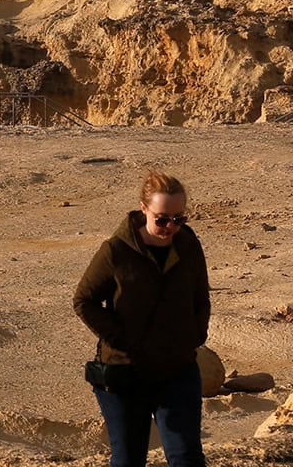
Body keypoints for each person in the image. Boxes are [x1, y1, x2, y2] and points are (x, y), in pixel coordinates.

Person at [72, 171, 210, 467]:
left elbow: (201, 297)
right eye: (161, 219)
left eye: (178, 218)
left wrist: (196, 335)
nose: (170, 226)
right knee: (128, 460)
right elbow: (84, 300)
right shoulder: (116, 251)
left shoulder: (188, 246)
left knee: (187, 457)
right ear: (143, 209)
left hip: (177, 369)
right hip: (125, 374)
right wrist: (121, 339)